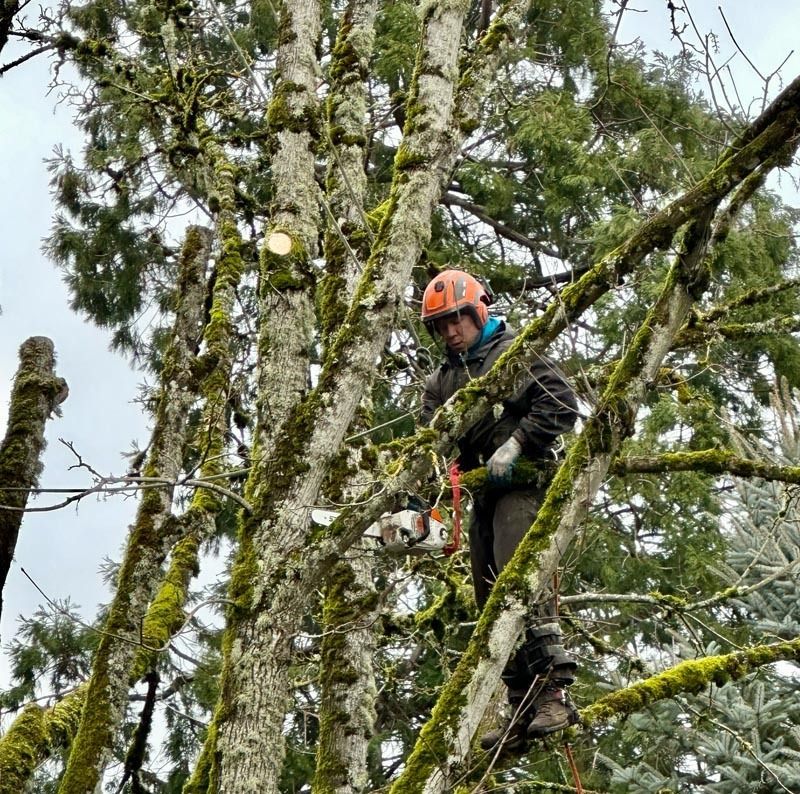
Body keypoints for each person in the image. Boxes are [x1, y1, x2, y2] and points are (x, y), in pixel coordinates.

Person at [419, 269, 579, 752]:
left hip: (525, 485)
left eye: (457, 320)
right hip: (483, 494)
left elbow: (562, 404)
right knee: (488, 592)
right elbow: (430, 443)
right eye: (441, 325)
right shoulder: (441, 382)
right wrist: (419, 495)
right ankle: (521, 704)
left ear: (477, 312)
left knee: (517, 575)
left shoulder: (517, 351)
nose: (450, 332)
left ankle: (553, 693)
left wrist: (517, 441)